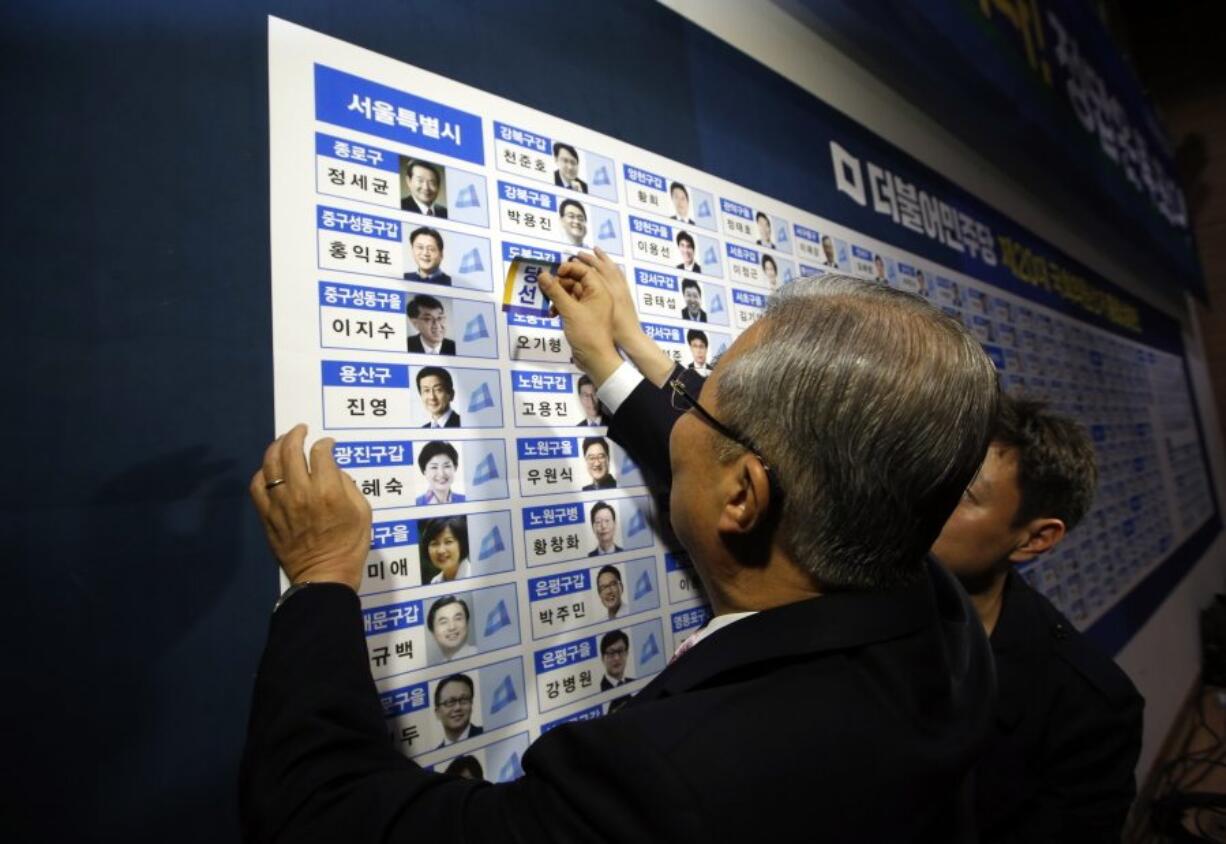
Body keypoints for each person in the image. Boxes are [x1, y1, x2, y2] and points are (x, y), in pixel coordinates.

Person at [243, 238, 1000, 839]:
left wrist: (322, 576)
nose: (684, 414)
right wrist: (610, 357)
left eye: (701, 401)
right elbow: (754, 456)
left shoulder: (685, 782)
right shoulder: (936, 613)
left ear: (744, 496)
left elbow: (323, 817)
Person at [930, 394, 1143, 842]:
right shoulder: (843, 606)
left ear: (1034, 539)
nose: (924, 496)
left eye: (963, 492)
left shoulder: (1090, 710)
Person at [432, 673, 483, 747]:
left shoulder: (486, 733)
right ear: (437, 713)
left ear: (471, 704)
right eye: (450, 702)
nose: (457, 707)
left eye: (463, 700)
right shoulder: (435, 756)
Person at [419, 516, 471, 584]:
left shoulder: (476, 577)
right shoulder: (434, 582)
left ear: (462, 544)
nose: (441, 551)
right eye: (434, 543)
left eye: (448, 542)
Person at [427, 596, 477, 662]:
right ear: (433, 632)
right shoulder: (440, 668)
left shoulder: (481, 654)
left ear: (467, 623)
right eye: (444, 622)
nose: (452, 627)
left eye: (458, 618)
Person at [414, 441, 466, 506]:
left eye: (446, 466)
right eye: (434, 467)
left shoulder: (466, 501)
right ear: (424, 471)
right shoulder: (415, 505)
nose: (441, 474)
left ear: (455, 468)